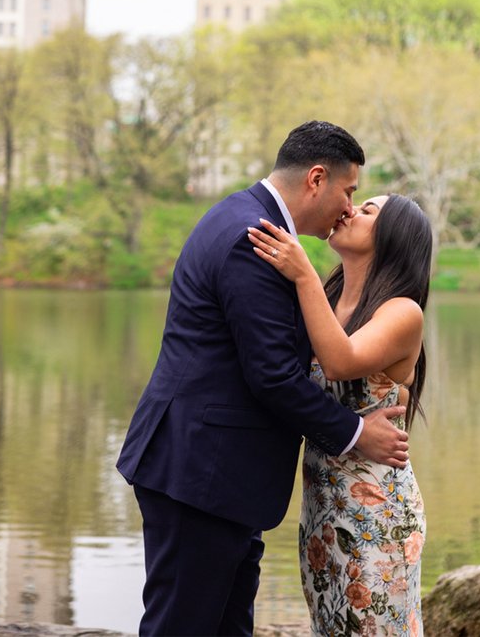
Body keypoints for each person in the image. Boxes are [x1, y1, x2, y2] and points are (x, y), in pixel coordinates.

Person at [116, 121, 412, 637]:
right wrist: (359, 433)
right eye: (349, 192)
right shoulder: (250, 239)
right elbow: (273, 377)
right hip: (199, 473)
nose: (348, 207)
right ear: (316, 179)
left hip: (221, 477)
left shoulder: (254, 225)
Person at [247, 193, 435, 635]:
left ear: (393, 238)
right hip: (320, 508)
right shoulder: (328, 299)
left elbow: (341, 361)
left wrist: (302, 274)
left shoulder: (402, 312)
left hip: (376, 515)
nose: (350, 209)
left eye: (368, 210)